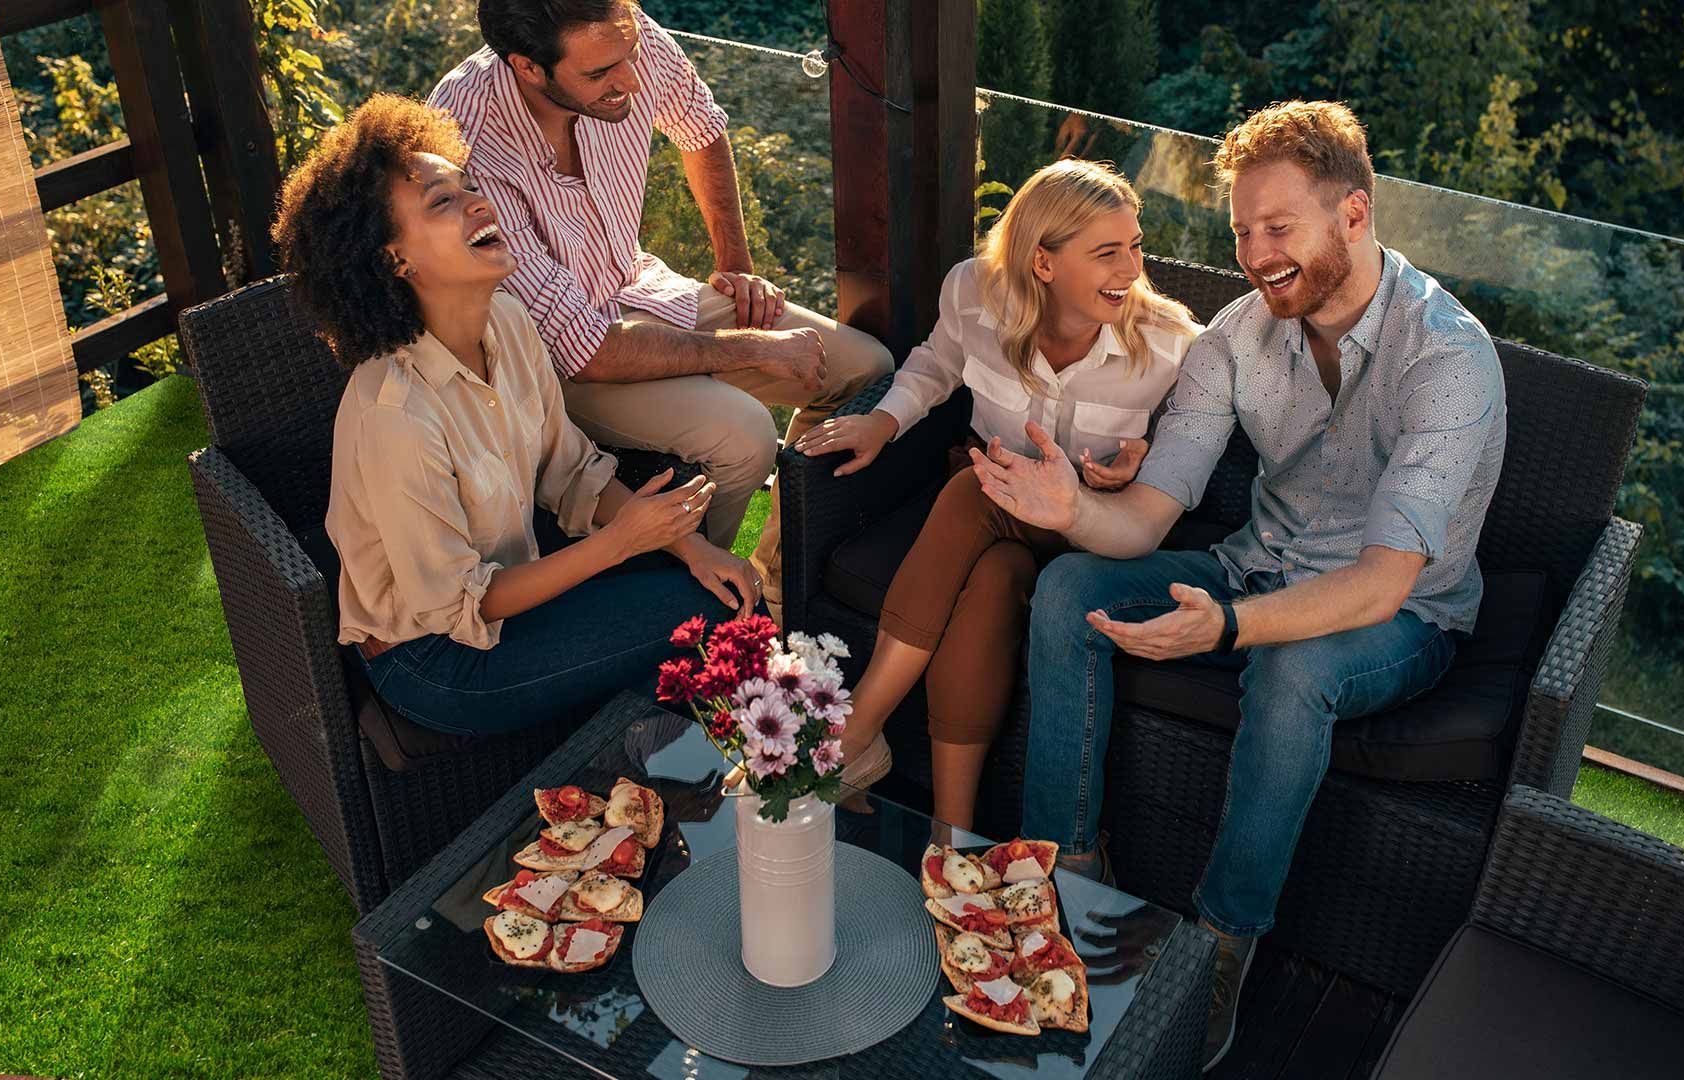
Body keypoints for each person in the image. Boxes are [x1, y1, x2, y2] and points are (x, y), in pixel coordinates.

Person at [967, 101, 1506, 1071]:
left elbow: (1383, 586)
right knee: (1067, 591)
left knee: (1295, 669)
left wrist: (1224, 628)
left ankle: (1221, 943)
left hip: (1405, 614)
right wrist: (1067, 514)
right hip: (1256, 560)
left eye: (1280, 228)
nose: (1256, 255)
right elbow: (1145, 518)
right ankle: (1068, 876)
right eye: (1242, 232)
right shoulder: (1234, 338)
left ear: (1354, 213)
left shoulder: (1450, 360)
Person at [274, 94, 758, 736]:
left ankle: (625, 791)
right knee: (714, 624)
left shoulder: (506, 320)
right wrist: (621, 543)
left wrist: (690, 546)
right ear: (394, 260)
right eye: (442, 202)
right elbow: (461, 604)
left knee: (716, 592)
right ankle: (649, 787)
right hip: (438, 658)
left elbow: (571, 472)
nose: (478, 202)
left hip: (517, 582)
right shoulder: (395, 413)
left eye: (468, 185)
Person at [428, 0, 894, 610]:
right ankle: (687, 618)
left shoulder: (625, 32)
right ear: (527, 67)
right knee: (744, 434)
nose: (627, 78)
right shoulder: (465, 135)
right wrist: (753, 349)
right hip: (550, 362)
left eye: (628, 58)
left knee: (865, 366)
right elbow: (579, 346)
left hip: (643, 287)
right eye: (598, 75)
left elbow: (701, 128)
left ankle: (773, 584)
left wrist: (734, 268)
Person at [792, 160, 1200, 827]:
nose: (1131, 269)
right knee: (990, 578)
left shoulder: (1173, 346)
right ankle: (952, 839)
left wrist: (1144, 462)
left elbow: (1194, 447)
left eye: (1135, 246)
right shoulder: (974, 292)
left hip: (1087, 538)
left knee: (975, 490)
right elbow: (936, 362)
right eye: (1107, 253)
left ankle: (855, 731)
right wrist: (882, 419)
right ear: (1043, 262)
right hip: (996, 527)